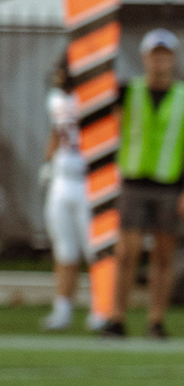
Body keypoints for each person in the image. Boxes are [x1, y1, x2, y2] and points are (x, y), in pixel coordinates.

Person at [105, 28, 184, 339]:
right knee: (127, 252)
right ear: (145, 58)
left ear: (172, 59)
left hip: (167, 183)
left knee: (163, 255)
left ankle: (156, 319)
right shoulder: (126, 90)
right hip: (133, 180)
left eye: (165, 55)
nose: (159, 61)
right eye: (154, 55)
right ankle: (116, 316)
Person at [39, 55, 97, 331]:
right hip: (62, 178)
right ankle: (62, 309)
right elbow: (55, 132)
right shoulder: (56, 99)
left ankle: (101, 309)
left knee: (94, 249)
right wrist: (47, 162)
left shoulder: (96, 98)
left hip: (89, 178)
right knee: (64, 248)